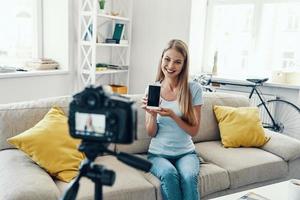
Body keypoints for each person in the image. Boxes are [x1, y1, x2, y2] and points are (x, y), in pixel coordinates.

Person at [141, 39, 203, 200]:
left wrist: (173, 116)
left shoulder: (194, 89)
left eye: (177, 62)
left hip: (186, 153)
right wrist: (152, 115)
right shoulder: (152, 89)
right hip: (157, 154)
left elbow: (194, 131)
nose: (170, 65)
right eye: (167, 59)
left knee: (189, 177)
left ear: (184, 65)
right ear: (161, 59)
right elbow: (151, 132)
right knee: (169, 174)